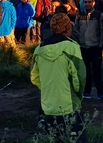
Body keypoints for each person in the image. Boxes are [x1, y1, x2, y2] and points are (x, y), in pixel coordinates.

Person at [31, 13, 87, 142]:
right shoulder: (72, 47)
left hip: (48, 105)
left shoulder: (39, 49)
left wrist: (47, 87)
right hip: (69, 103)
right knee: (79, 138)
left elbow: (34, 77)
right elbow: (79, 78)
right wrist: (78, 94)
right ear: (68, 28)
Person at [72, 0, 103, 100]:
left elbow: (102, 30)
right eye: (85, 2)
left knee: (97, 71)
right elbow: (76, 30)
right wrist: (77, 43)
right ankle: (86, 92)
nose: (87, 4)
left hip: (95, 47)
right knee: (85, 71)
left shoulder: (98, 15)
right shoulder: (79, 15)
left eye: (89, 2)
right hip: (83, 47)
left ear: (93, 2)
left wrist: (101, 45)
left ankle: (100, 93)